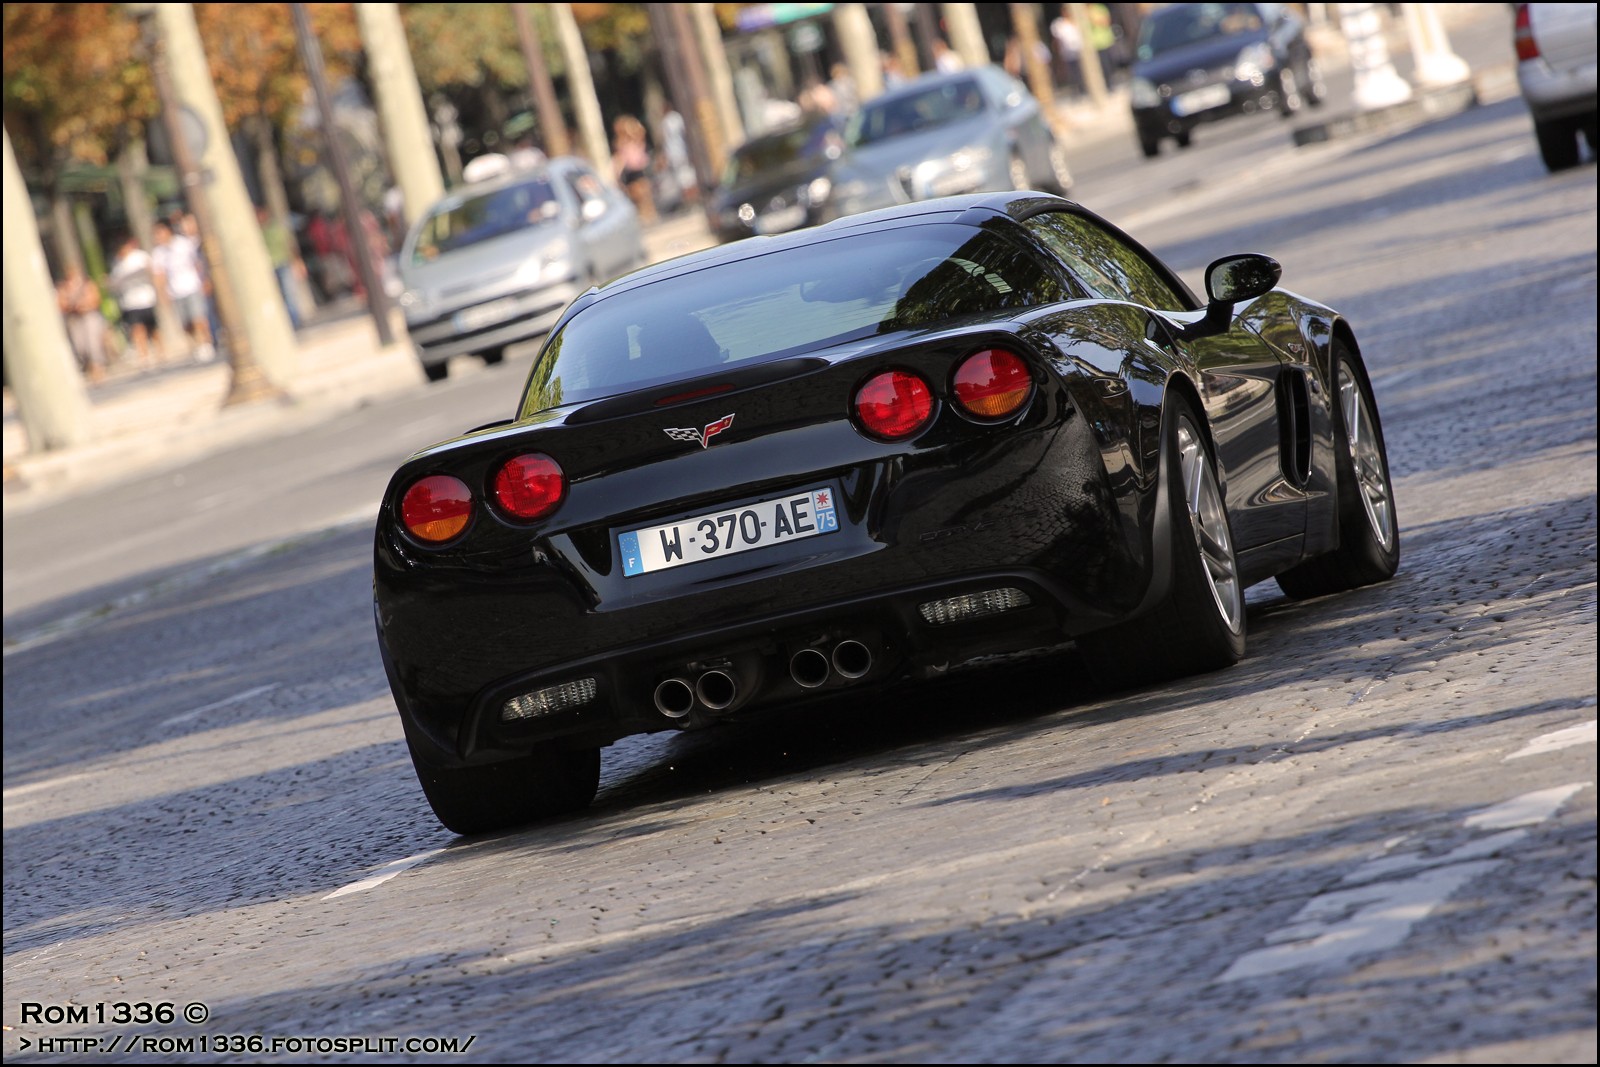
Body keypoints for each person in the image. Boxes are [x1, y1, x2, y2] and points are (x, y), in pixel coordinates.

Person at [151, 218, 215, 362]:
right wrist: (162, 294)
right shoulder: (158, 253)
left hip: (192, 286)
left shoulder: (183, 244)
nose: (158, 236)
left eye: (160, 232)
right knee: (186, 324)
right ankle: (197, 344)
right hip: (175, 291)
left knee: (198, 317)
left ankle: (206, 343)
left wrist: (204, 280)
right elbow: (159, 275)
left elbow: (196, 263)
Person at [107, 232, 159, 368]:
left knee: (152, 328)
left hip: (146, 298)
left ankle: (160, 352)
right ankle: (144, 356)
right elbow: (115, 283)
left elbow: (152, 271)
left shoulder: (140, 257)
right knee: (137, 329)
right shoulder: (118, 264)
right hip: (131, 302)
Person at [56, 265, 108, 383]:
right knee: (80, 345)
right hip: (74, 319)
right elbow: (60, 304)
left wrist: (84, 305)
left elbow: (96, 299)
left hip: (89, 316)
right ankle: (89, 367)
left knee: (93, 343)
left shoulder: (87, 284)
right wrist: (71, 306)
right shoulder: (63, 288)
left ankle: (97, 369)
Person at [258, 205, 306, 330]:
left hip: (283, 264)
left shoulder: (277, 228)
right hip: (270, 267)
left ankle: (295, 320)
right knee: (280, 295)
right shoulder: (258, 232)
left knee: (289, 292)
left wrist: (297, 262)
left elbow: (290, 245)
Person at [611, 114, 656, 225]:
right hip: (630, 170)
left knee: (644, 191)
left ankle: (649, 213)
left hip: (638, 168)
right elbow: (620, 157)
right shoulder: (620, 142)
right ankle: (643, 214)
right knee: (635, 194)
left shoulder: (634, 138)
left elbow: (641, 132)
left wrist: (631, 127)